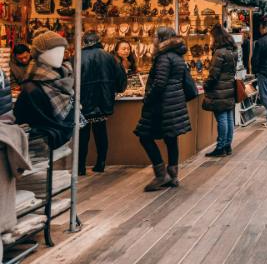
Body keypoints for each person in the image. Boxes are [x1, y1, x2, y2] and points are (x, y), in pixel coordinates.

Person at [134, 27, 191, 191]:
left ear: (161, 39)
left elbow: (160, 83)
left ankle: (161, 175)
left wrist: (148, 99)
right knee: (171, 138)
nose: (153, 40)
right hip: (174, 103)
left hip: (161, 105)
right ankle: (173, 175)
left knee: (144, 136)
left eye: (155, 37)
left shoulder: (164, 58)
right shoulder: (177, 56)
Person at [13, 29, 75, 149]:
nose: (59, 55)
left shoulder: (63, 77)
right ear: (39, 54)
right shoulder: (32, 87)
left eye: (62, 51)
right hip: (41, 147)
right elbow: (21, 118)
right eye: (54, 51)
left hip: (57, 145)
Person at [79, 31, 127, 175]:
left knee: (83, 134)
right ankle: (100, 164)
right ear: (99, 41)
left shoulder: (77, 57)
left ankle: (80, 167)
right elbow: (120, 83)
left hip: (83, 102)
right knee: (100, 131)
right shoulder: (109, 57)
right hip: (103, 101)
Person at [203, 24, 237, 157]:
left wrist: (206, 84)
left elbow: (214, 74)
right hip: (228, 88)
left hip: (219, 90)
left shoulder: (219, 53)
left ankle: (221, 147)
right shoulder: (231, 51)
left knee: (222, 118)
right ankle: (227, 145)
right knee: (228, 117)